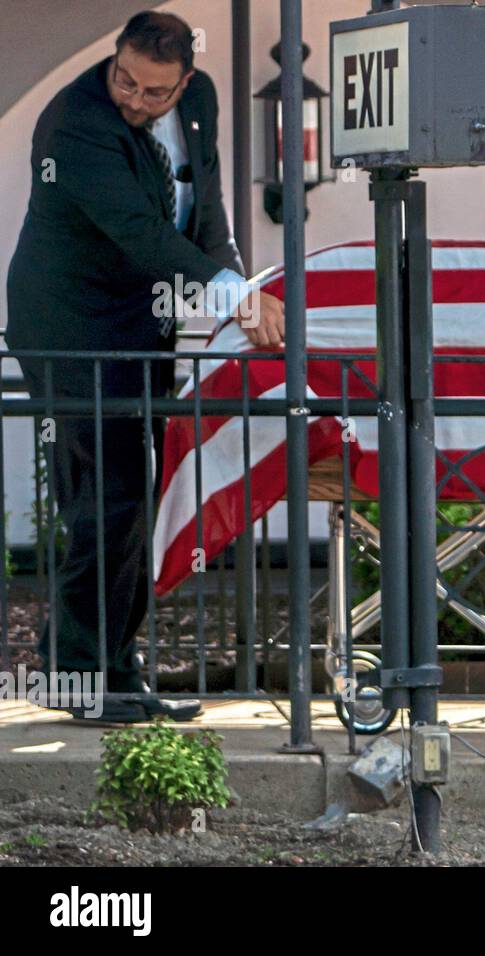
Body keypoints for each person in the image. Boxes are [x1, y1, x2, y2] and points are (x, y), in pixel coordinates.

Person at [5, 11, 284, 723]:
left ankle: (112, 672)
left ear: (184, 81)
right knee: (107, 495)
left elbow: (206, 207)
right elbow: (140, 231)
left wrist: (237, 287)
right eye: (124, 78)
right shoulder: (76, 122)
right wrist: (234, 296)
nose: (134, 97)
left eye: (153, 90)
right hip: (71, 323)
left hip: (140, 319)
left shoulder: (200, 99)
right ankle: (79, 677)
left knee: (130, 498)